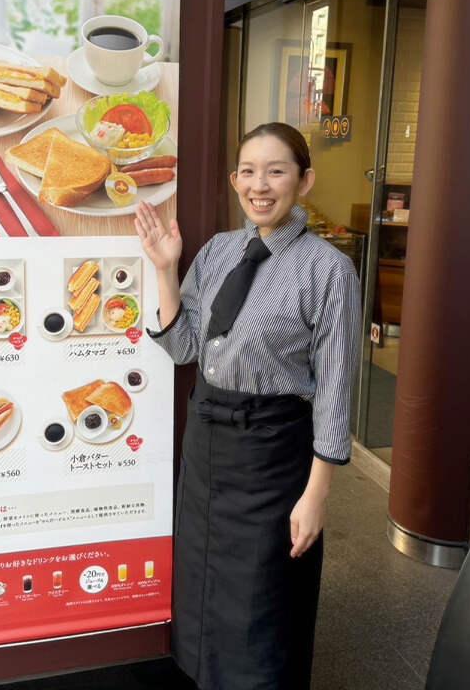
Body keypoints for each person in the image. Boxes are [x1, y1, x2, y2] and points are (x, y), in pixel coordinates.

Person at [134, 122, 361, 690]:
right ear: (235, 179)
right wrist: (165, 267)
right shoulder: (217, 252)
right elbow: (183, 345)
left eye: (277, 171)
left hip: (273, 457)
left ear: (304, 181)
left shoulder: (327, 270)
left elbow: (335, 390)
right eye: (249, 172)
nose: (261, 186)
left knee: (265, 608)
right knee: (205, 600)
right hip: (209, 452)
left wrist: (317, 497)